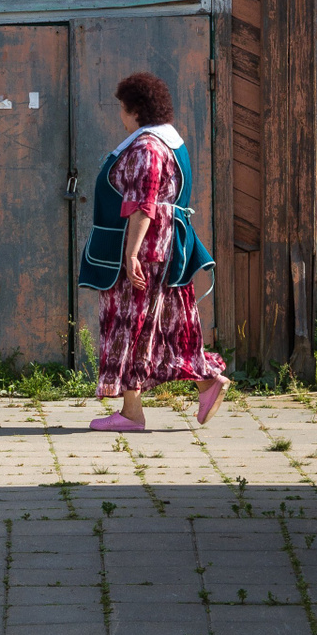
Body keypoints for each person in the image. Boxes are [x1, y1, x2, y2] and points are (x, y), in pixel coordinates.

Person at [78, 71, 228, 432]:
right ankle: (206, 381)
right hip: (166, 250)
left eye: (122, 108)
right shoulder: (170, 142)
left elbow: (142, 205)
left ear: (134, 110)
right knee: (164, 325)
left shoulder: (146, 148)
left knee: (128, 324)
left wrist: (131, 254)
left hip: (144, 253)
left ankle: (132, 413)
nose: (120, 115)